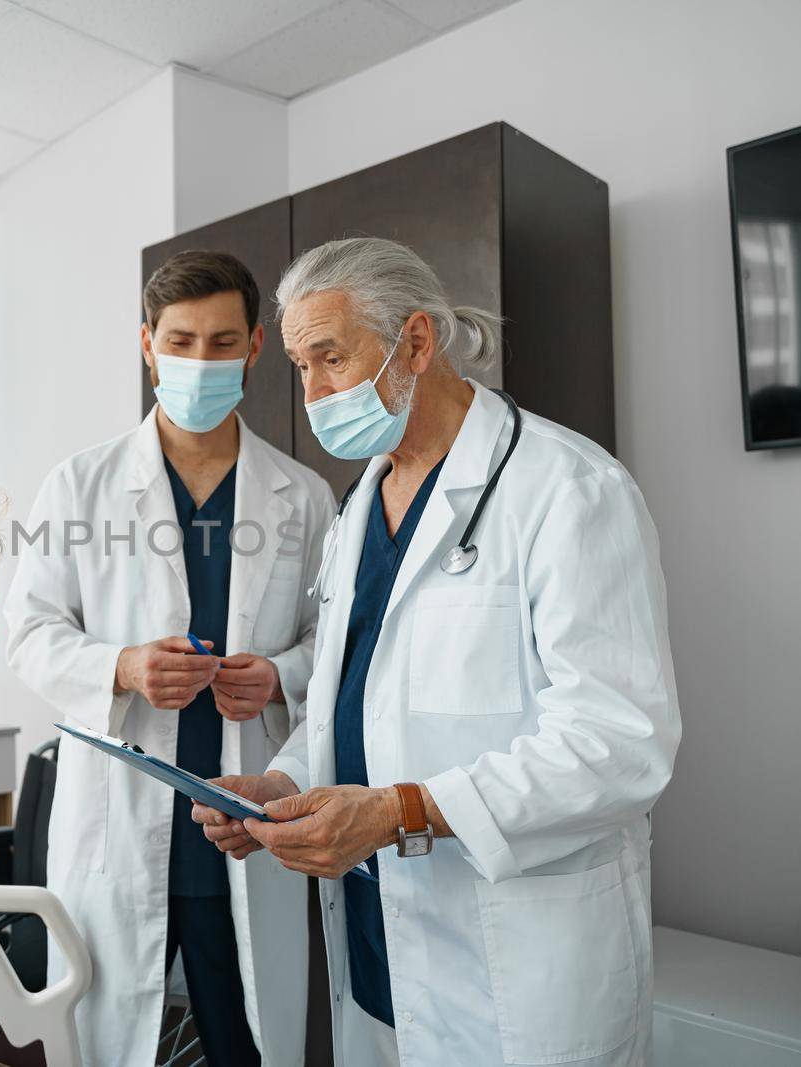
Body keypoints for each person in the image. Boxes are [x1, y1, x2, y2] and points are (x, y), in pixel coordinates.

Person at [193, 237, 681, 1067]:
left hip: (518, 968)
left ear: (416, 343)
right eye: (301, 368)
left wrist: (399, 811)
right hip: (383, 953)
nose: (312, 393)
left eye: (331, 358)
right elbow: (354, 704)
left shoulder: (567, 487)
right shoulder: (357, 513)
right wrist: (283, 783)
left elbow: (618, 744)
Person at [3, 251, 337, 1066]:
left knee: (246, 1048)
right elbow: (28, 631)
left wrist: (279, 675)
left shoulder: (304, 495)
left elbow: (335, 646)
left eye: (223, 342)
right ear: (147, 344)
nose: (200, 361)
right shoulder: (80, 486)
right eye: (181, 340)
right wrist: (120, 667)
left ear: (258, 347)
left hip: (244, 830)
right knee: (113, 1043)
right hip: (119, 828)